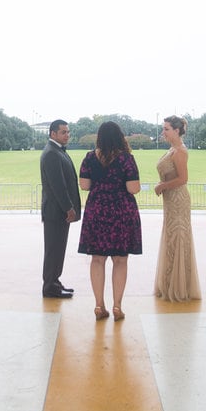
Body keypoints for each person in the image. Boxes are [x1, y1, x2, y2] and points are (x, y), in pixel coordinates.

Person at [77, 121, 142, 321]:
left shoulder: (89, 158)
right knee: (120, 260)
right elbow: (133, 188)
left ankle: (99, 305)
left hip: (97, 210)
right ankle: (117, 306)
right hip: (121, 211)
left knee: (97, 259)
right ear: (119, 137)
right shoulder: (126, 159)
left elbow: (84, 185)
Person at [153, 115, 201, 302]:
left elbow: (183, 179)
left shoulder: (179, 151)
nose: (163, 132)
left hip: (178, 200)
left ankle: (180, 286)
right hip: (170, 200)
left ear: (177, 130)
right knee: (171, 238)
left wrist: (162, 186)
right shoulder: (172, 149)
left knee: (178, 238)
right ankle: (169, 282)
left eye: (166, 129)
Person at [40, 119, 81, 298]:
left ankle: (54, 282)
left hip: (58, 212)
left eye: (68, 132)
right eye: (63, 132)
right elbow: (58, 186)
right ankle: (50, 286)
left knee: (58, 249)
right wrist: (69, 208)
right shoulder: (51, 153)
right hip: (56, 212)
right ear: (53, 133)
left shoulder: (56, 151)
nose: (67, 135)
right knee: (53, 250)